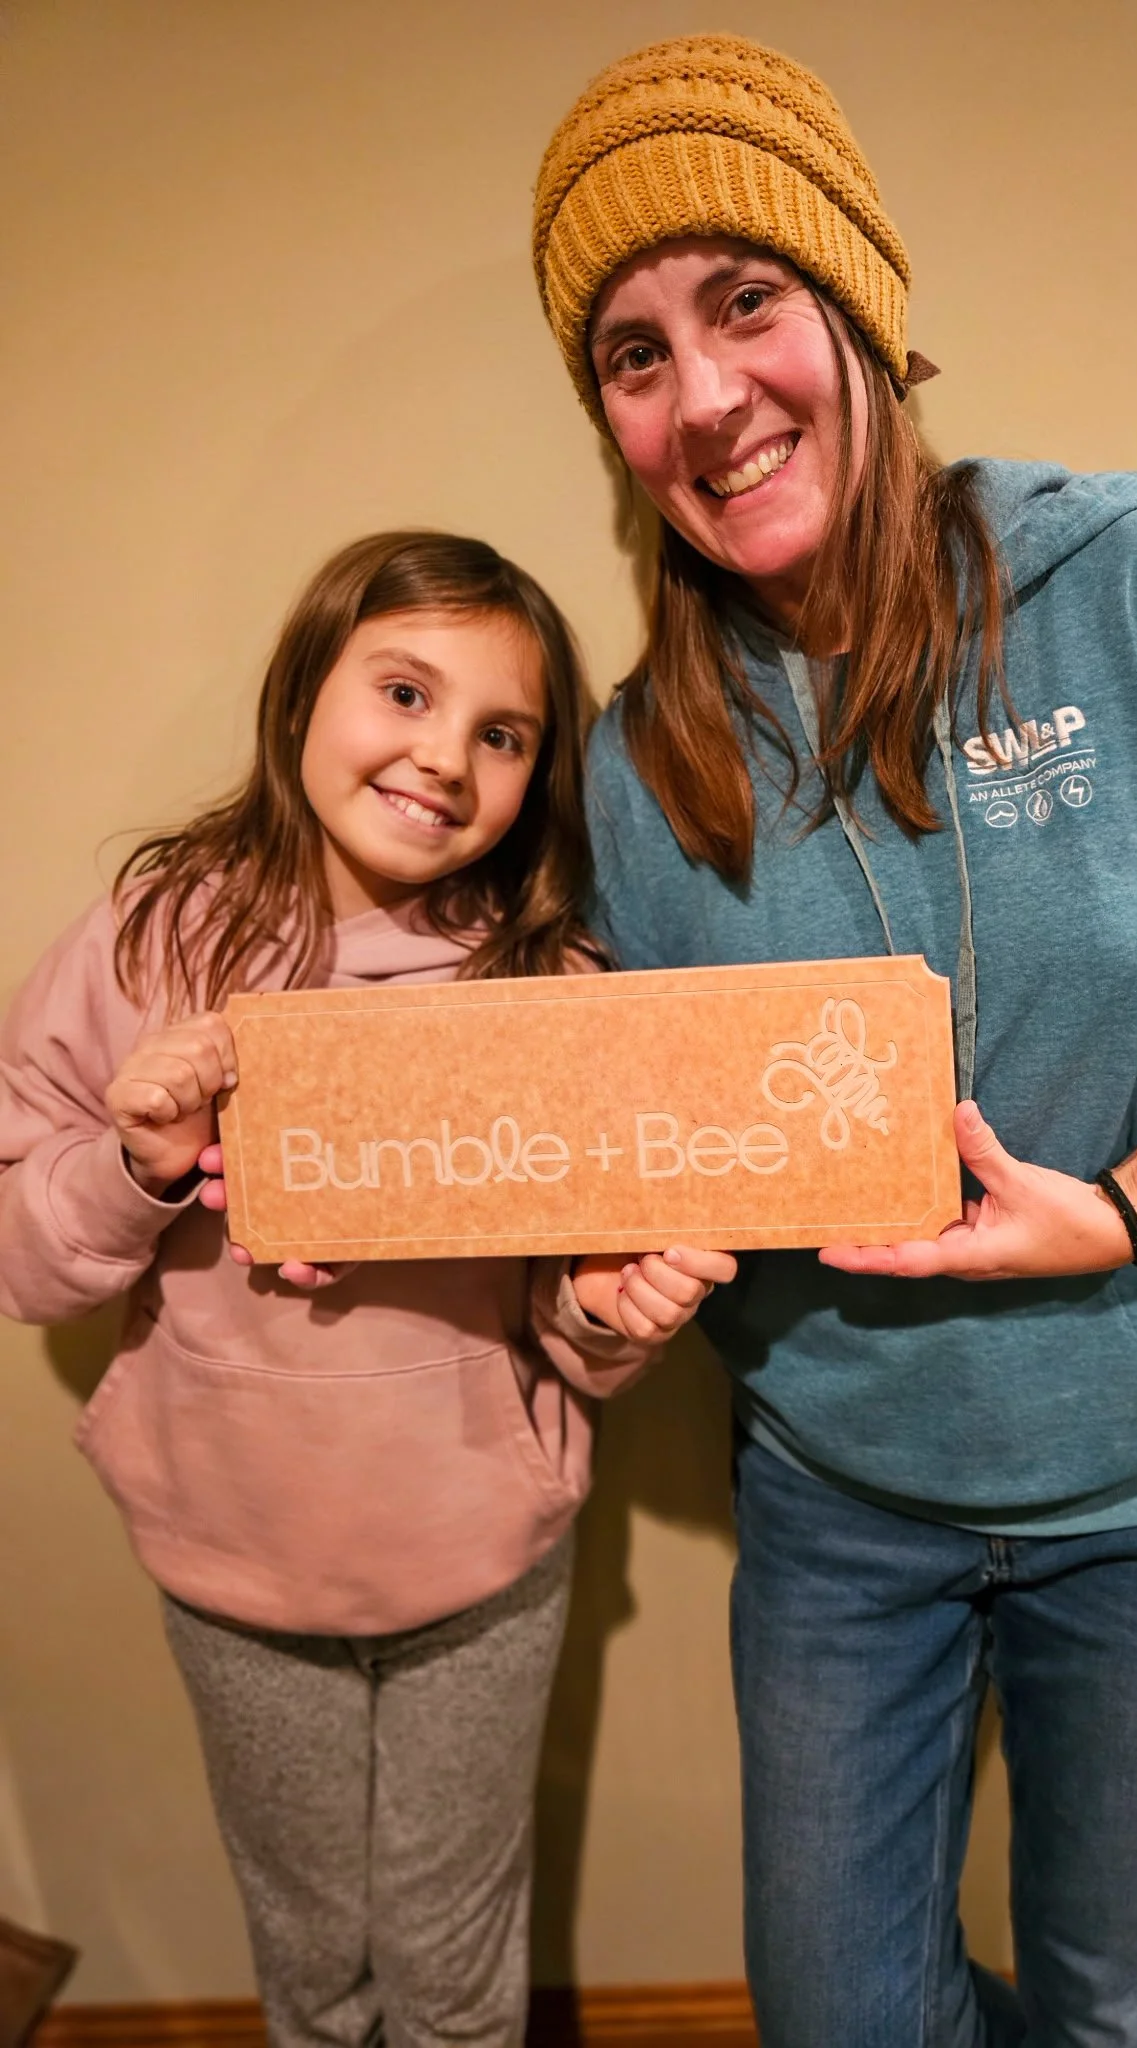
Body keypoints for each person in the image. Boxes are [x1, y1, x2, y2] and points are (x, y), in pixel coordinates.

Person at [532, 37, 1137, 2048]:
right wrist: (605, 1281)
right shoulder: (634, 767)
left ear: (857, 304)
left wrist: (1123, 1208)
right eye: (630, 352)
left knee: (1122, 2014)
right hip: (841, 1503)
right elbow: (638, 1132)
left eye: (746, 302)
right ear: (608, 421)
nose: (704, 396)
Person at [0, 530, 735, 2048]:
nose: (442, 758)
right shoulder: (151, 946)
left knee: (456, 1966)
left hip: (477, 1566)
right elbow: (23, 1265)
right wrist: (140, 1163)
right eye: (403, 691)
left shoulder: (547, 989)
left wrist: (610, 1310)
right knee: (313, 1960)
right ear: (302, 694)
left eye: (502, 733)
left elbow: (574, 1319)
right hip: (233, 1561)